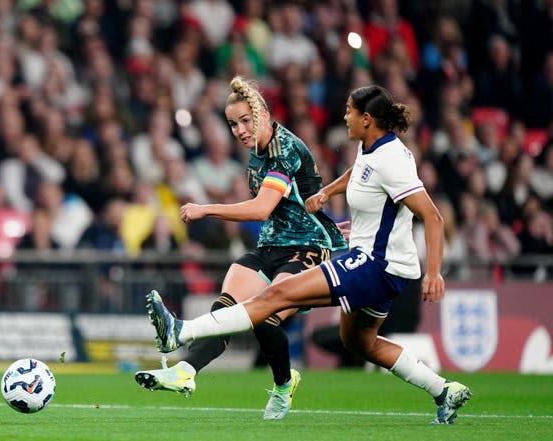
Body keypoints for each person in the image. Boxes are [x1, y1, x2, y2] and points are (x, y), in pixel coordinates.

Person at [146, 85, 471, 425]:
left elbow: (433, 217)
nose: (343, 116)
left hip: (374, 265)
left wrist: (433, 273)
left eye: (348, 110)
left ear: (367, 118)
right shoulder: (372, 148)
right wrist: (328, 192)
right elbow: (360, 174)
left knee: (275, 296)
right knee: (359, 342)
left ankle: (181, 331)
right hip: (370, 261)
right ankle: (444, 390)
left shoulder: (390, 159)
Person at [134, 75, 347, 420]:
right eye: (232, 124)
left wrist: (206, 208)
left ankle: (282, 385)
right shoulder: (257, 156)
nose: (240, 130)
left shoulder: (283, 150)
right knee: (227, 309)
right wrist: (330, 223)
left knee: (264, 318)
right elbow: (296, 202)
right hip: (270, 246)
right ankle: (184, 372)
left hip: (305, 249)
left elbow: (262, 208)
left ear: (262, 112)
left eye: (245, 121)